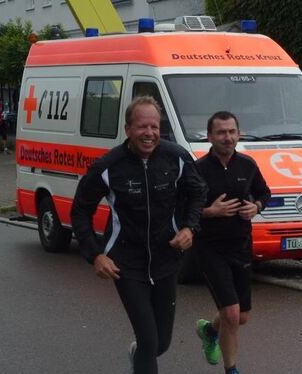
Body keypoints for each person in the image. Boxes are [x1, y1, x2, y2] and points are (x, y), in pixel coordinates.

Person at [71, 96, 207, 374]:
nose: (149, 133)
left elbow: (198, 191)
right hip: (126, 263)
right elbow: (80, 211)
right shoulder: (108, 166)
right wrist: (96, 255)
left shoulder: (176, 157)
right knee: (148, 339)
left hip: (166, 259)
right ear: (128, 129)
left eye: (155, 126)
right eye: (142, 126)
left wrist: (189, 227)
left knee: (161, 343)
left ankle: (139, 356)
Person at [194, 111, 271, 374]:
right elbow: (181, 208)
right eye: (221, 132)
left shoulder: (247, 165)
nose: (227, 138)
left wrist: (256, 206)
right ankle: (232, 370)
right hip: (210, 248)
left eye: (231, 132)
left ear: (238, 134)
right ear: (210, 136)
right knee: (232, 314)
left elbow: (264, 192)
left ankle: (208, 330)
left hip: (240, 246)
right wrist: (209, 212)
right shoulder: (198, 170)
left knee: (242, 317)